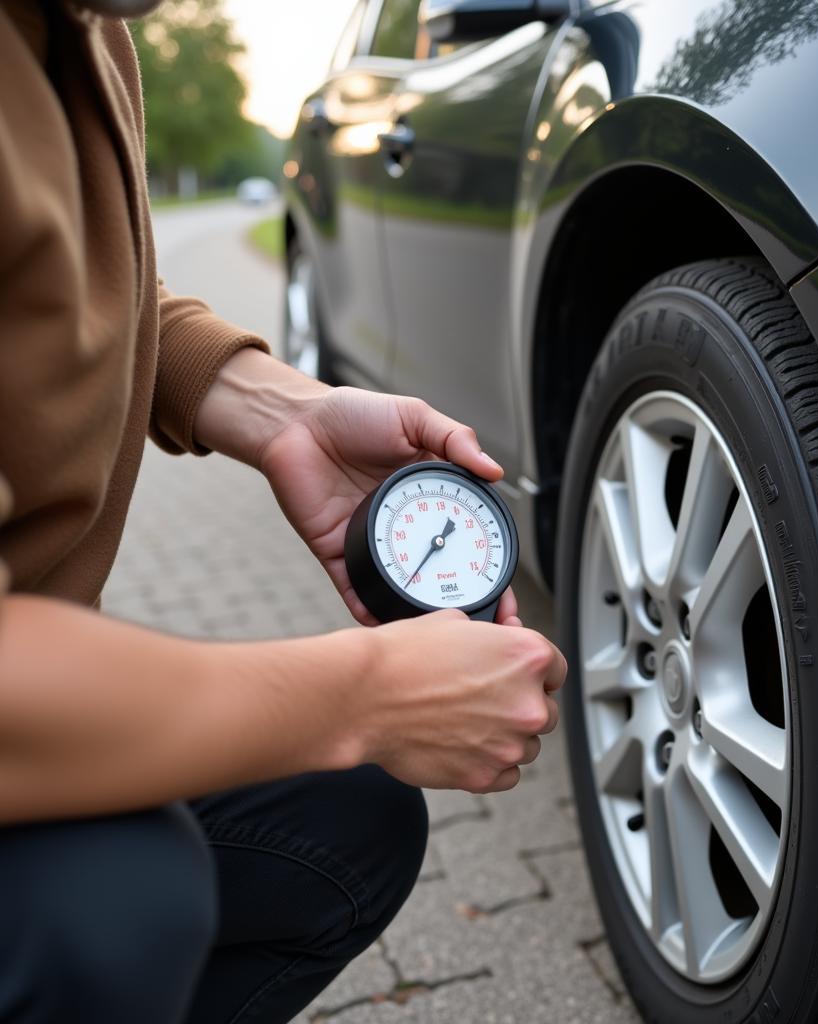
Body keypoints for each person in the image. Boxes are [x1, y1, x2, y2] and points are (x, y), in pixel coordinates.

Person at [0, 0, 567, 1021]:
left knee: (342, 825)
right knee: (116, 896)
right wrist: (364, 697)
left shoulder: (84, 28)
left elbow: (68, 272)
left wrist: (279, 411)